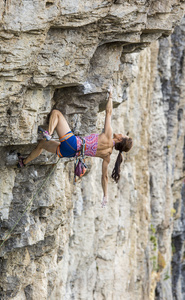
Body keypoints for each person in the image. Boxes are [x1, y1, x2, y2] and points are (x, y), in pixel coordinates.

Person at [18, 87, 133, 206]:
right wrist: (105, 196)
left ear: (120, 139)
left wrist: (110, 96)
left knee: (56, 113)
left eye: (122, 135)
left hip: (73, 142)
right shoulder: (107, 156)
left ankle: (49, 133)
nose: (120, 133)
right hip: (70, 153)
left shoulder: (109, 136)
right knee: (41, 144)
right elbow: (104, 177)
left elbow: (108, 112)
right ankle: (23, 162)